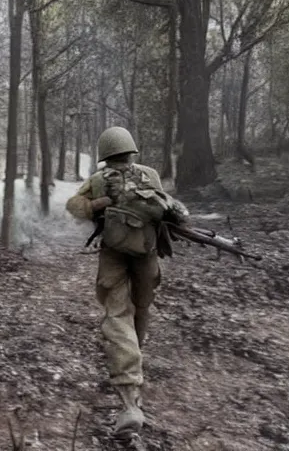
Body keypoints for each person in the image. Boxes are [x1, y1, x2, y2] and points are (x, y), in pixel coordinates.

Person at [65, 126, 176, 438]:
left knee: (118, 317)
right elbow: (167, 208)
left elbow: (75, 207)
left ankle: (130, 401)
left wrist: (99, 205)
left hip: (114, 254)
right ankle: (133, 364)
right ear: (131, 149)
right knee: (141, 309)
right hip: (147, 254)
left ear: (104, 153)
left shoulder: (99, 180)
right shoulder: (150, 175)